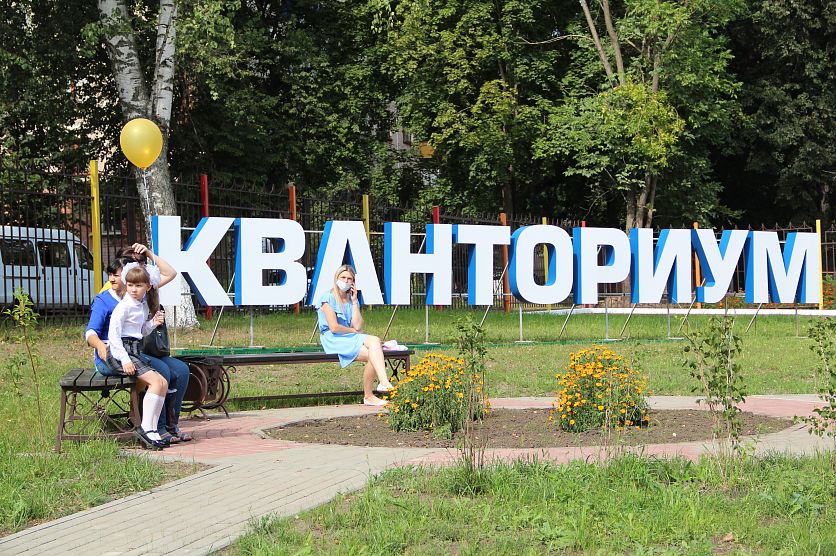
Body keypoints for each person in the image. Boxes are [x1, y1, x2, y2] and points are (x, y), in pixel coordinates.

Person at [85, 244, 192, 445]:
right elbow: (94, 333)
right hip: (118, 352)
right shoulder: (112, 300)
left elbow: (170, 273)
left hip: (138, 349)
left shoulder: (140, 296)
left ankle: (170, 425)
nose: (114, 279)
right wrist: (101, 347)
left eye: (142, 265)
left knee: (181, 370)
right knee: (162, 375)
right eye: (114, 275)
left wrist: (149, 253)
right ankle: (156, 428)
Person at [99, 263, 169, 449]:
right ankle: (145, 428)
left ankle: (152, 428)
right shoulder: (123, 307)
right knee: (155, 382)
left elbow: (141, 331)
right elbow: (114, 336)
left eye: (138, 285)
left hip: (134, 350)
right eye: (130, 285)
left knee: (163, 383)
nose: (133, 289)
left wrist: (153, 323)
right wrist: (125, 360)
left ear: (148, 286)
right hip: (119, 353)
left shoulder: (142, 306)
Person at [315, 264, 394, 406]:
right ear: (336, 278)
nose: (345, 281)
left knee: (374, 347)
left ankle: (377, 388)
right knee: (374, 348)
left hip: (349, 337)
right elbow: (334, 328)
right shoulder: (328, 297)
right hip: (333, 339)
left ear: (353, 282)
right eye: (343, 277)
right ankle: (376, 389)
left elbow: (358, 326)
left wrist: (355, 301)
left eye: (349, 279)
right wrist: (353, 331)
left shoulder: (350, 299)